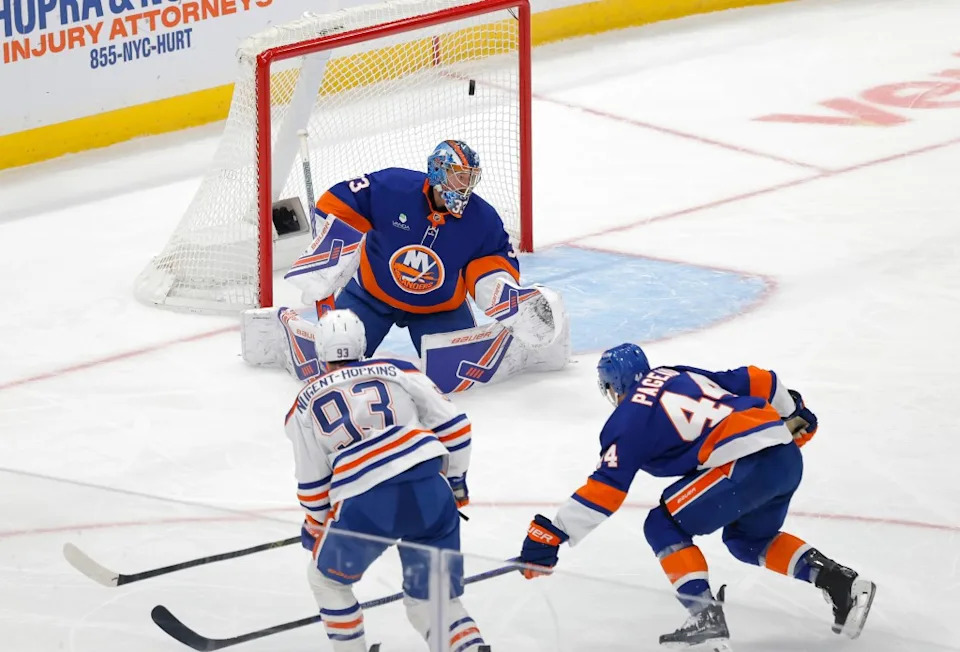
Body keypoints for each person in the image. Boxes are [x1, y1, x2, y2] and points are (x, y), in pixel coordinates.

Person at [516, 343, 876, 649]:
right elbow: (761, 379)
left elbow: (605, 489)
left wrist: (554, 533)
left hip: (743, 465)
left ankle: (705, 617)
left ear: (614, 387)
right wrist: (794, 412)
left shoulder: (626, 422)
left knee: (662, 525)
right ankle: (840, 581)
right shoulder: (677, 373)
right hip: (784, 456)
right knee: (748, 540)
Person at [241, 139, 569, 391]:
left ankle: (518, 332)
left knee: (451, 380)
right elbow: (338, 202)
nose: (465, 186)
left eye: (470, 178)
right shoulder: (392, 188)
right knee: (332, 365)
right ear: (438, 171)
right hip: (371, 296)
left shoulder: (481, 219)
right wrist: (330, 249)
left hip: (439, 308)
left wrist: (497, 290)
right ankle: (277, 331)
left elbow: (492, 260)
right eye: (458, 176)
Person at [284, 309, 489, 652]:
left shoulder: (303, 403)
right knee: (433, 603)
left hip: (366, 505)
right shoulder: (399, 370)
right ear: (363, 344)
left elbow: (313, 485)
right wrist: (455, 484)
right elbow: (456, 427)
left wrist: (317, 527)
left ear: (319, 351)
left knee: (325, 581)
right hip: (430, 492)